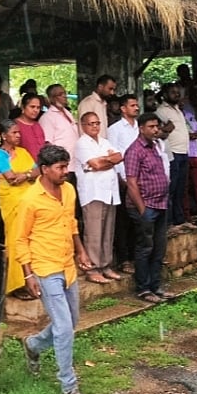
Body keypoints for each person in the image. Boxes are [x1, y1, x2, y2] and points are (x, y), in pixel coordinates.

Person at [17, 145, 95, 394]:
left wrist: (81, 251)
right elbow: (20, 239)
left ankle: (33, 344)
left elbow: (72, 223)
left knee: (71, 322)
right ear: (44, 169)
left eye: (66, 166)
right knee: (63, 328)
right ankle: (69, 387)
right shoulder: (30, 199)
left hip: (67, 266)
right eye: (60, 167)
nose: (65, 171)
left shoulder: (69, 190)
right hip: (44, 267)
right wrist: (28, 274)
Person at [125, 113, 173, 303]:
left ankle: (156, 286)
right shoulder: (135, 150)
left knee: (159, 248)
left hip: (161, 204)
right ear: (141, 128)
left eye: (157, 127)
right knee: (145, 247)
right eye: (151, 127)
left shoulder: (155, 147)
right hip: (145, 206)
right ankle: (143, 288)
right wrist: (142, 209)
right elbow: (131, 182)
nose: (155, 130)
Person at [74, 112, 123, 283]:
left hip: (109, 192)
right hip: (92, 192)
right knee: (94, 232)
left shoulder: (104, 141)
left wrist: (105, 160)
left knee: (108, 231)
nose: (95, 126)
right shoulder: (81, 144)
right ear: (83, 125)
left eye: (97, 123)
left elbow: (119, 156)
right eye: (91, 124)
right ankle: (92, 268)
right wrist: (108, 160)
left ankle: (105, 265)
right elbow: (94, 164)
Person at [0, 119, 39, 299]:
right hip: (11, 202)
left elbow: (37, 172)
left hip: (28, 201)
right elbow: (11, 178)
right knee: (14, 239)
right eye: (14, 133)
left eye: (18, 132)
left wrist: (26, 175)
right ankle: (16, 284)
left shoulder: (23, 152)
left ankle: (31, 278)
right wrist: (28, 175)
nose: (18, 135)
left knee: (30, 238)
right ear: (4, 136)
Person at [108, 93, 140, 274]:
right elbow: (114, 155)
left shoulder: (139, 128)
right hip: (123, 180)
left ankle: (137, 257)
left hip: (140, 180)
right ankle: (124, 259)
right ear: (123, 108)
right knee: (123, 221)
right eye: (132, 105)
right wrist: (122, 179)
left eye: (136, 105)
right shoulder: (115, 129)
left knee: (139, 220)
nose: (136, 108)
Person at [155, 83, 191, 234]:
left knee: (181, 189)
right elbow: (159, 129)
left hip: (184, 152)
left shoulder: (178, 110)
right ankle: (168, 222)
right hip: (172, 154)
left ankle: (179, 219)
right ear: (164, 94)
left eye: (178, 92)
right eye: (172, 92)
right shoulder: (161, 110)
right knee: (171, 188)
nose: (176, 94)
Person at [39, 84, 79, 162]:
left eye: (65, 93)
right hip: (61, 163)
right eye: (60, 94)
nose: (65, 96)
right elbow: (48, 144)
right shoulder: (47, 117)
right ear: (51, 98)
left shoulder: (67, 112)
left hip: (75, 161)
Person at [78, 75, 117, 139]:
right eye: (110, 89)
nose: (112, 93)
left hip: (102, 145)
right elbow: (84, 130)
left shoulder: (103, 103)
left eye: (113, 89)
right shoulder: (87, 103)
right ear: (100, 87)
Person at [15, 93, 48, 160]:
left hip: (40, 166)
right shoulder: (15, 125)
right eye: (32, 107)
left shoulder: (37, 125)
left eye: (38, 107)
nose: (36, 110)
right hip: (24, 166)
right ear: (23, 107)